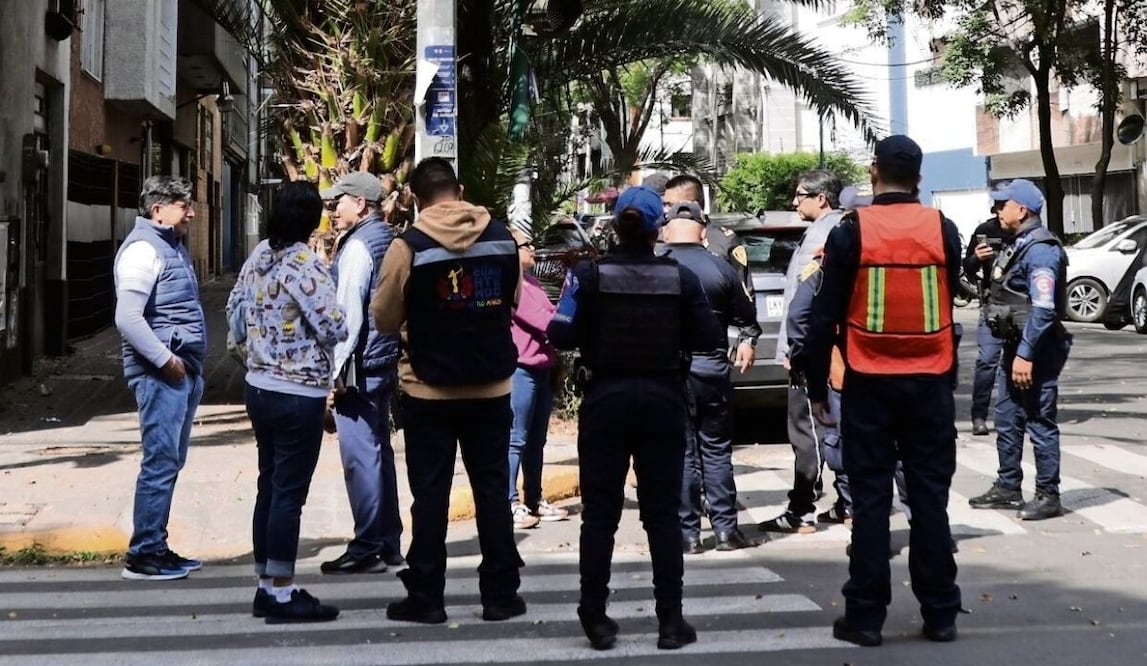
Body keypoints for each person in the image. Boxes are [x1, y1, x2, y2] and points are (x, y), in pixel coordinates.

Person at [547, 185, 725, 651]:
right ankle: (670, 621)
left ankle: (595, 615)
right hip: (663, 399)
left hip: (605, 399)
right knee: (662, 514)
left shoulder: (588, 276)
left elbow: (559, 332)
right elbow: (709, 334)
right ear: (655, 228)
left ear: (614, 224)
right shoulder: (680, 277)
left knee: (599, 515)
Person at [803, 135, 963, 646]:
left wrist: (817, 387)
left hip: (869, 383)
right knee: (929, 500)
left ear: (874, 173)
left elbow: (823, 314)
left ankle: (866, 617)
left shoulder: (853, 230)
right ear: (918, 177)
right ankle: (941, 613)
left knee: (871, 500)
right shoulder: (943, 229)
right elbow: (950, 291)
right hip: (931, 382)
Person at [371, 157, 526, 624]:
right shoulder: (501, 238)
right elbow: (514, 300)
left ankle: (427, 597)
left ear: (416, 199)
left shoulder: (409, 245)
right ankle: (500, 596)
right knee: (494, 493)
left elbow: (382, 316)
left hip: (428, 393)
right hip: (492, 388)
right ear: (459, 190)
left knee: (431, 497)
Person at [227, 181, 347, 623]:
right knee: (288, 496)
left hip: (258, 386)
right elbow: (333, 327)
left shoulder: (258, 256)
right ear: (313, 219)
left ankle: (265, 585)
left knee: (269, 486)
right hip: (299, 394)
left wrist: (260, 342)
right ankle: (282, 591)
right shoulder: (306, 264)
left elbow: (234, 310)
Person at [114, 176, 206, 581]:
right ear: (157, 210)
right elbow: (128, 318)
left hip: (179, 372)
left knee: (169, 461)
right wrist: (166, 361)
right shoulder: (142, 250)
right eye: (183, 205)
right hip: (160, 375)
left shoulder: (171, 247)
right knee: (160, 462)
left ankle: (156, 546)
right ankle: (144, 554)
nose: (190, 212)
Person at [659, 200, 760, 553]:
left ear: (665, 230)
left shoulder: (657, 267)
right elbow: (747, 319)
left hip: (669, 371)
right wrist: (747, 341)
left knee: (681, 451)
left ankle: (688, 535)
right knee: (715, 449)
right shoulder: (720, 268)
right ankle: (725, 531)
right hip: (710, 369)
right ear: (703, 232)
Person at [969, 178, 1071, 521]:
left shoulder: (1042, 249)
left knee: (1039, 420)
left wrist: (1026, 354)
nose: (997, 210)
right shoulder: (1020, 243)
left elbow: (1043, 309)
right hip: (1016, 346)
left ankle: (1048, 494)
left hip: (1036, 349)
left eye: (1003, 205)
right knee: (1008, 417)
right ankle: (1008, 486)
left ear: (1021, 210)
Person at [320, 172, 405, 575]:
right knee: (379, 452)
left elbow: (348, 319)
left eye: (340, 201)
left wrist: (331, 376)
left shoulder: (357, 249)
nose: (334, 210)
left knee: (360, 458)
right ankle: (389, 542)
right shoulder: (390, 239)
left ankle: (367, 545)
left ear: (361, 203)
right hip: (383, 361)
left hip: (359, 367)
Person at [760, 170, 846, 535]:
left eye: (800, 195)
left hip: (813, 351)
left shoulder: (826, 235)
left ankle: (803, 509)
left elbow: (804, 303)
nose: (794, 202)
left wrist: (796, 349)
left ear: (822, 197)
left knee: (806, 431)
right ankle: (848, 502)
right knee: (836, 429)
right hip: (830, 349)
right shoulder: (840, 231)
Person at [508, 227, 568, 529]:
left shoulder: (531, 281)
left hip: (542, 367)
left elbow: (555, 316)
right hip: (521, 369)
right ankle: (510, 502)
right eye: (525, 244)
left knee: (536, 440)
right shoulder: (513, 284)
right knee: (516, 439)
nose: (532, 248)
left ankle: (534, 497)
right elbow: (547, 322)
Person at [963, 200, 1014, 436]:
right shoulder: (985, 230)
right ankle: (979, 415)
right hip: (992, 305)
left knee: (1016, 361)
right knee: (987, 360)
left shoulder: (1027, 232)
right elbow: (967, 268)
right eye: (999, 207)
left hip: (1021, 306)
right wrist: (976, 257)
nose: (1001, 212)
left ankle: (1013, 413)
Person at [662, 175, 754, 299]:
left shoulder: (725, 241)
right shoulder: (659, 235)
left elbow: (743, 295)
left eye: (669, 205)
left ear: (691, 205)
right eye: (664, 204)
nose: (664, 210)